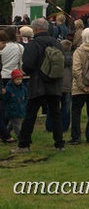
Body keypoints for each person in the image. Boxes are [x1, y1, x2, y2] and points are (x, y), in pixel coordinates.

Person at [12, 17, 65, 153]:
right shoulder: (57, 43)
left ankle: (24, 144)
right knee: (55, 114)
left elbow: (28, 65)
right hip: (55, 83)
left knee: (30, 115)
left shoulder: (33, 45)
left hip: (38, 84)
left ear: (35, 29)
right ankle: (59, 144)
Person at [3, 69, 27, 141]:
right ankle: (21, 137)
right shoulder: (8, 88)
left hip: (20, 108)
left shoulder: (23, 88)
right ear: (13, 79)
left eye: (20, 79)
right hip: (12, 110)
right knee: (16, 125)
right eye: (17, 79)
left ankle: (5, 134)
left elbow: (26, 96)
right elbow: (5, 99)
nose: (19, 81)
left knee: (11, 125)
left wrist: (24, 104)